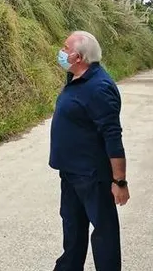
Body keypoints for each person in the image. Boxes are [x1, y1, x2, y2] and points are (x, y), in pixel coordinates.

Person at [50, 31, 129, 271]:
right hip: (71, 174)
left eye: (65, 48)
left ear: (79, 57)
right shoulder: (76, 79)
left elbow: (113, 137)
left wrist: (120, 181)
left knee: (104, 234)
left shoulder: (99, 87)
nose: (61, 53)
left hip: (93, 176)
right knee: (73, 230)